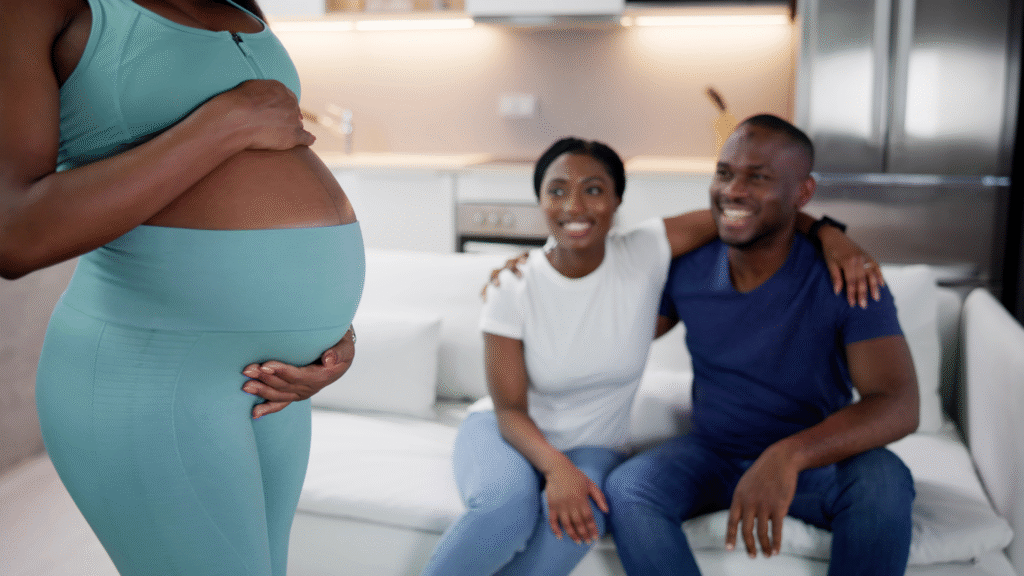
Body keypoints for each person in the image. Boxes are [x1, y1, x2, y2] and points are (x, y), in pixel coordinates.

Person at [1, 1, 364, 574]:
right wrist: (222, 124)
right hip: (152, 368)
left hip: (277, 389)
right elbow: (13, 232)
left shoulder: (239, 2)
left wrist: (325, 329)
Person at [420, 137, 884, 576]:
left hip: (594, 447)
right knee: (506, 510)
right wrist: (557, 470)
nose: (574, 207)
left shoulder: (645, 250)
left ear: (618, 201)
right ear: (540, 201)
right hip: (509, 434)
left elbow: (752, 212)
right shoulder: (513, 285)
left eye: (593, 190)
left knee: (576, 526)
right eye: (556, 191)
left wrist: (829, 233)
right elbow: (509, 411)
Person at [604, 115, 919, 576]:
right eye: (725, 173)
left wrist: (787, 456)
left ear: (803, 193)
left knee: (885, 479)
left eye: (759, 177)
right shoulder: (688, 267)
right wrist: (538, 273)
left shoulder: (846, 277)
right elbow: (608, 326)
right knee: (630, 488)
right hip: (713, 456)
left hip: (815, 463)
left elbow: (898, 403)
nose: (733, 190)